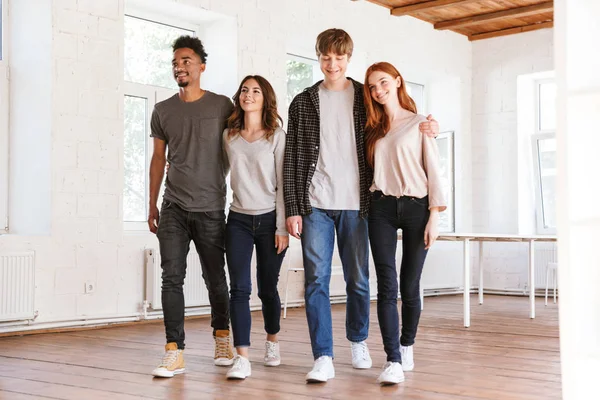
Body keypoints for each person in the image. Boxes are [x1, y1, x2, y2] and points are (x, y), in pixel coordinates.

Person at [283, 28, 439, 383]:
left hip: (359, 204)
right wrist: (293, 207)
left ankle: (358, 340)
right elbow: (291, 159)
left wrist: (429, 125)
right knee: (316, 281)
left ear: (348, 58)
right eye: (325, 57)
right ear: (318, 58)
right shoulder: (303, 101)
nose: (332, 63)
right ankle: (323, 355)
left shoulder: (364, 97)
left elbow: (397, 122)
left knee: (358, 280)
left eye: (339, 57)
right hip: (315, 205)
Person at [148, 35, 234, 378]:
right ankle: (174, 350)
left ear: (201, 66)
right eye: (174, 63)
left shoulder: (222, 106)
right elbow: (158, 159)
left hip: (211, 207)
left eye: (186, 61)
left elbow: (238, 147)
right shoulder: (162, 110)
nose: (179, 67)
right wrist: (152, 204)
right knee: (171, 278)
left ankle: (222, 337)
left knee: (215, 278)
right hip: (173, 207)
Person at [363, 62, 447, 385]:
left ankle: (407, 343)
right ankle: (392, 359)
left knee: (410, 285)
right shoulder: (372, 128)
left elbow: (434, 170)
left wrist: (435, 216)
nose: (378, 90)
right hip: (381, 207)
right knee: (387, 285)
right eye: (372, 86)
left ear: (397, 82)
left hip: (417, 207)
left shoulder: (420, 124)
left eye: (383, 82)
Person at [222, 75, 289, 380]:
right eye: (245, 90)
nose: (249, 95)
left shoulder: (276, 135)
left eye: (256, 91)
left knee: (267, 288)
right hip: (237, 218)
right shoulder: (229, 136)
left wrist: (281, 228)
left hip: (269, 220)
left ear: (265, 98)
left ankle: (272, 341)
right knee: (239, 288)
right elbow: (216, 168)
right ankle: (242, 356)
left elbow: (282, 185)